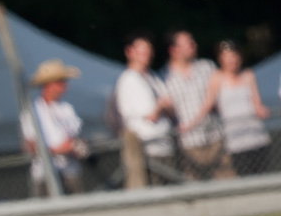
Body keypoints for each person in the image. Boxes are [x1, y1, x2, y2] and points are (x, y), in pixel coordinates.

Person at [180, 40, 271, 176]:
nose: (231, 60)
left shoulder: (248, 75)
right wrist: (190, 124)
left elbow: (256, 102)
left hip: (255, 133)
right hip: (235, 139)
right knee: (243, 174)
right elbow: (207, 104)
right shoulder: (217, 77)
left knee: (262, 173)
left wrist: (262, 110)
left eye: (234, 56)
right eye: (227, 57)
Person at [162, 30, 235, 181]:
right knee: (195, 188)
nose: (194, 46)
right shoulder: (164, 77)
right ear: (174, 50)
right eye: (189, 43)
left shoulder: (207, 67)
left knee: (228, 183)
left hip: (215, 138)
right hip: (189, 144)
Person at [20, 59, 88, 196]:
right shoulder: (32, 112)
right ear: (47, 85)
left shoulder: (67, 109)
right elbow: (30, 146)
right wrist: (57, 150)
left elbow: (75, 136)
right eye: (60, 82)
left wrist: (77, 146)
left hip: (70, 171)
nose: (64, 86)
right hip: (46, 173)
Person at [115, 34, 176, 187]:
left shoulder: (153, 77)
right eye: (142, 50)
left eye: (148, 50)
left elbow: (170, 108)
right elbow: (151, 115)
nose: (146, 54)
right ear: (129, 52)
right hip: (148, 150)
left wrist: (162, 106)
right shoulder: (129, 79)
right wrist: (161, 105)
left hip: (165, 145)